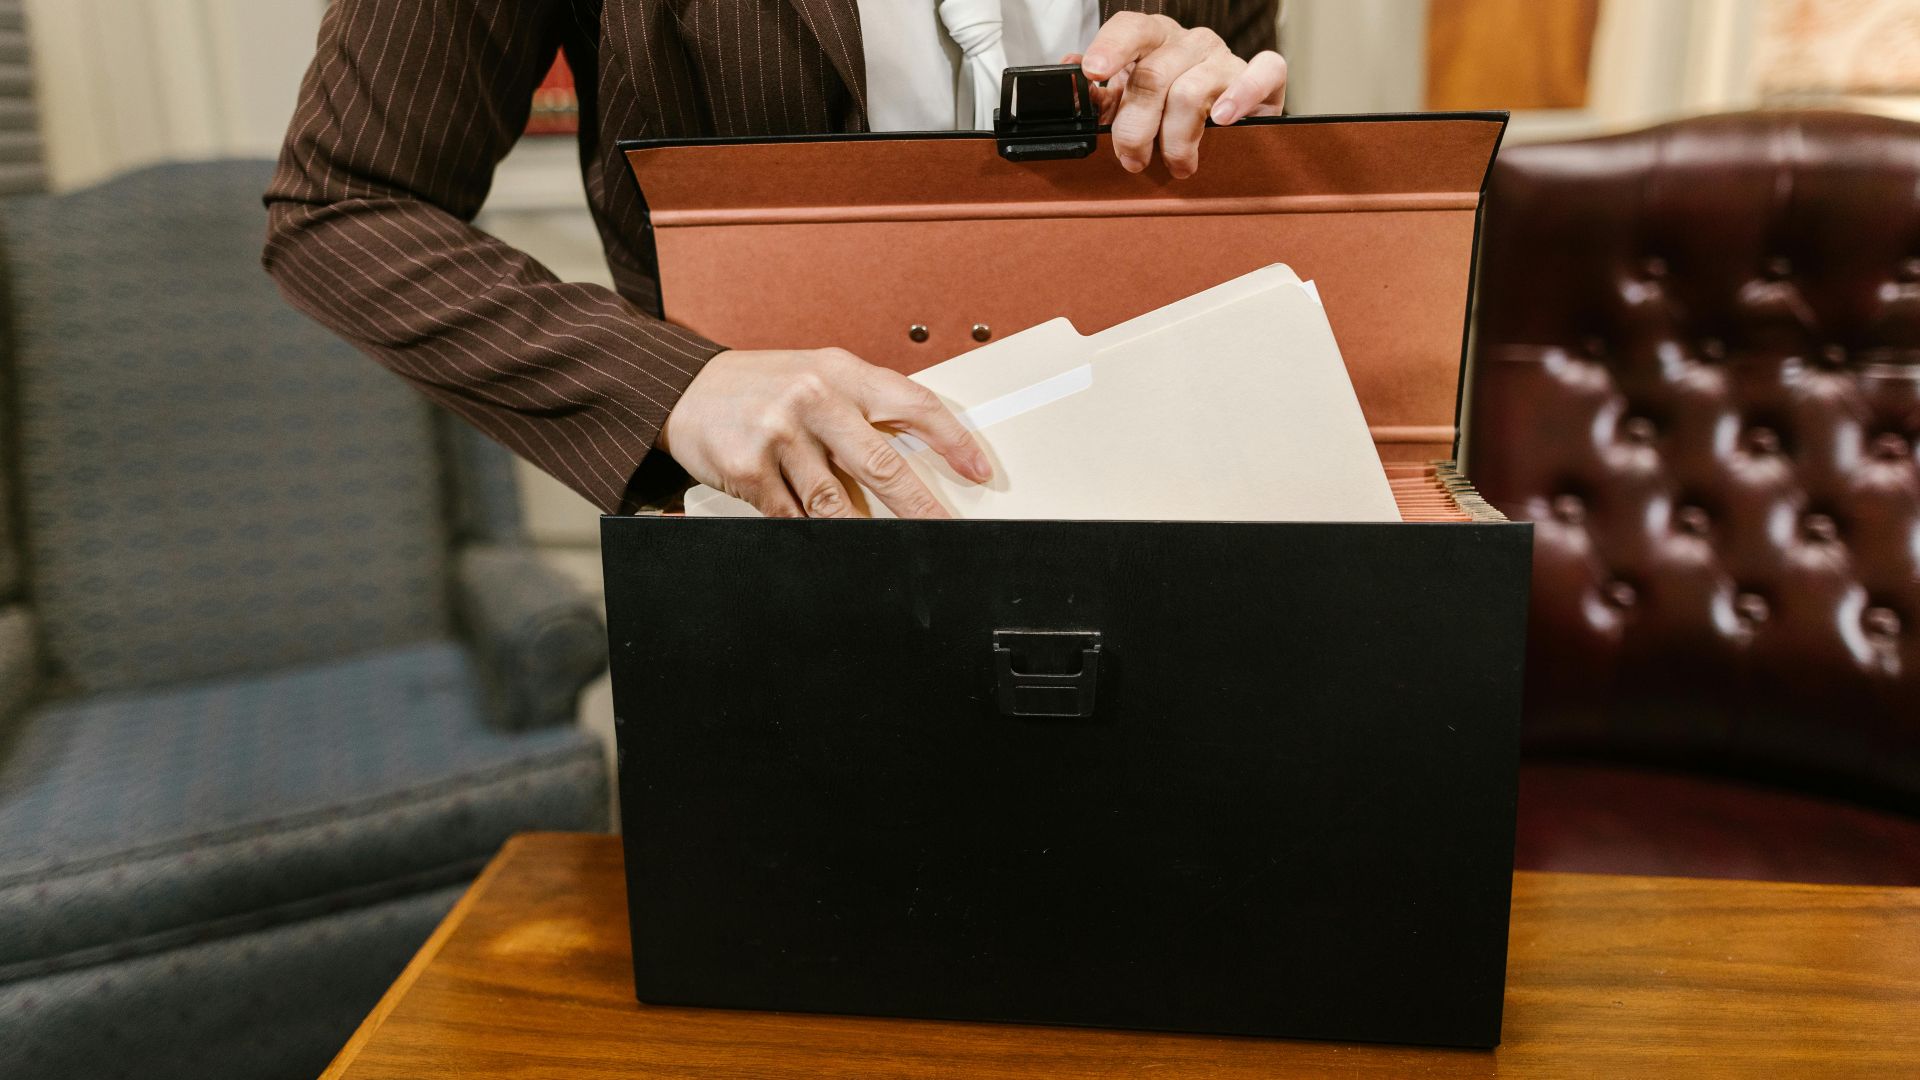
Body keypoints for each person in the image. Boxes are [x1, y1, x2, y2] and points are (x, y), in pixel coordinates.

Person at [264, 2, 1285, 519]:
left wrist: (1235, 140)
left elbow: (1233, 236)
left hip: (1166, 531)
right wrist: (677, 386)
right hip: (775, 564)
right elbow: (344, 201)